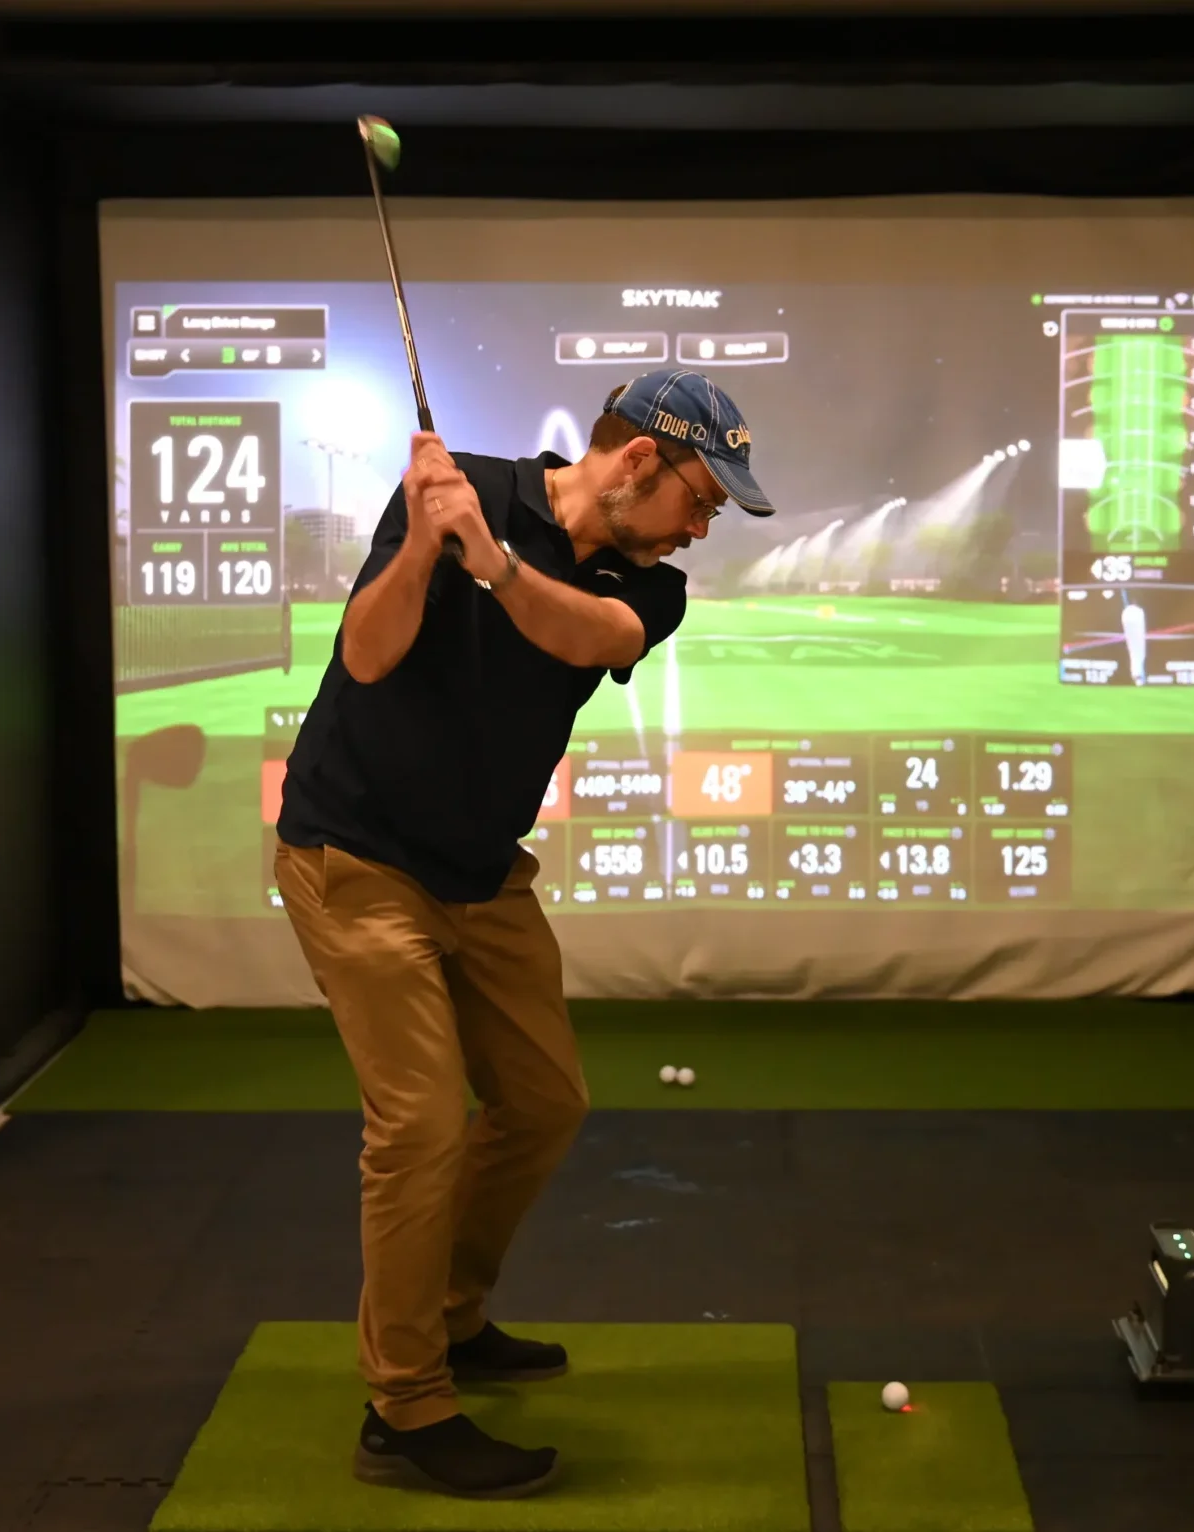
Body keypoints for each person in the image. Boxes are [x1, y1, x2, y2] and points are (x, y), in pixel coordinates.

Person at [272, 370, 774, 1499]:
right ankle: (404, 1405)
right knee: (416, 1123)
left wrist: (491, 564)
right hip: (354, 854)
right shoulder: (458, 492)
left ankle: (450, 1317)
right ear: (640, 460)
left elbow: (584, 633)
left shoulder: (650, 589)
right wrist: (424, 541)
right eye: (702, 496)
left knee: (544, 1101)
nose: (705, 525)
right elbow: (363, 656)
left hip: (479, 873)